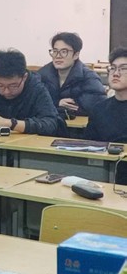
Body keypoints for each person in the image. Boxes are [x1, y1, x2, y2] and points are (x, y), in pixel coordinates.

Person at [38, 32, 106, 118]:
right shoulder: (42, 75)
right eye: (55, 51)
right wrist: (57, 103)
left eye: (64, 51)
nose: (58, 56)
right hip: (49, 123)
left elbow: (95, 106)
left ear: (76, 55)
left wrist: (54, 107)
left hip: (79, 125)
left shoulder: (89, 78)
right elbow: (33, 102)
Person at [85, 47, 127, 185]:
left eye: (123, 68)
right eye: (113, 68)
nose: (116, 73)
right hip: (103, 176)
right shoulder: (99, 109)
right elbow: (89, 145)